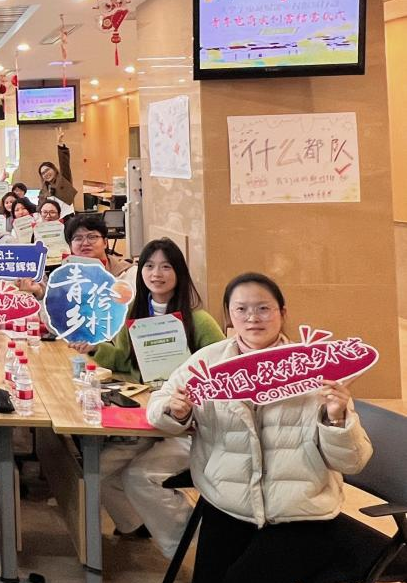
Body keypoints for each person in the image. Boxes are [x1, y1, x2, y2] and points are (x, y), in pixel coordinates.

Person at [148, 273, 372, 583]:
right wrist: (175, 411)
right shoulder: (208, 363)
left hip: (300, 513)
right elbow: (158, 407)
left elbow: (352, 462)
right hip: (228, 504)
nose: (252, 318)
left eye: (264, 308)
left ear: (283, 312)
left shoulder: (314, 367)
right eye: (241, 309)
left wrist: (337, 418)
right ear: (229, 315)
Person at [67, 239, 225, 557]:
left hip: (188, 425)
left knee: (138, 476)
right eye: (149, 266)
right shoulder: (135, 313)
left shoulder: (199, 321)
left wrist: (189, 396)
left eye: (166, 266)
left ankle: (189, 545)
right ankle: (134, 523)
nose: (156, 273)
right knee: (98, 470)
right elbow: (122, 359)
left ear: (179, 273)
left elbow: (223, 371)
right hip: (147, 418)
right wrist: (96, 347)